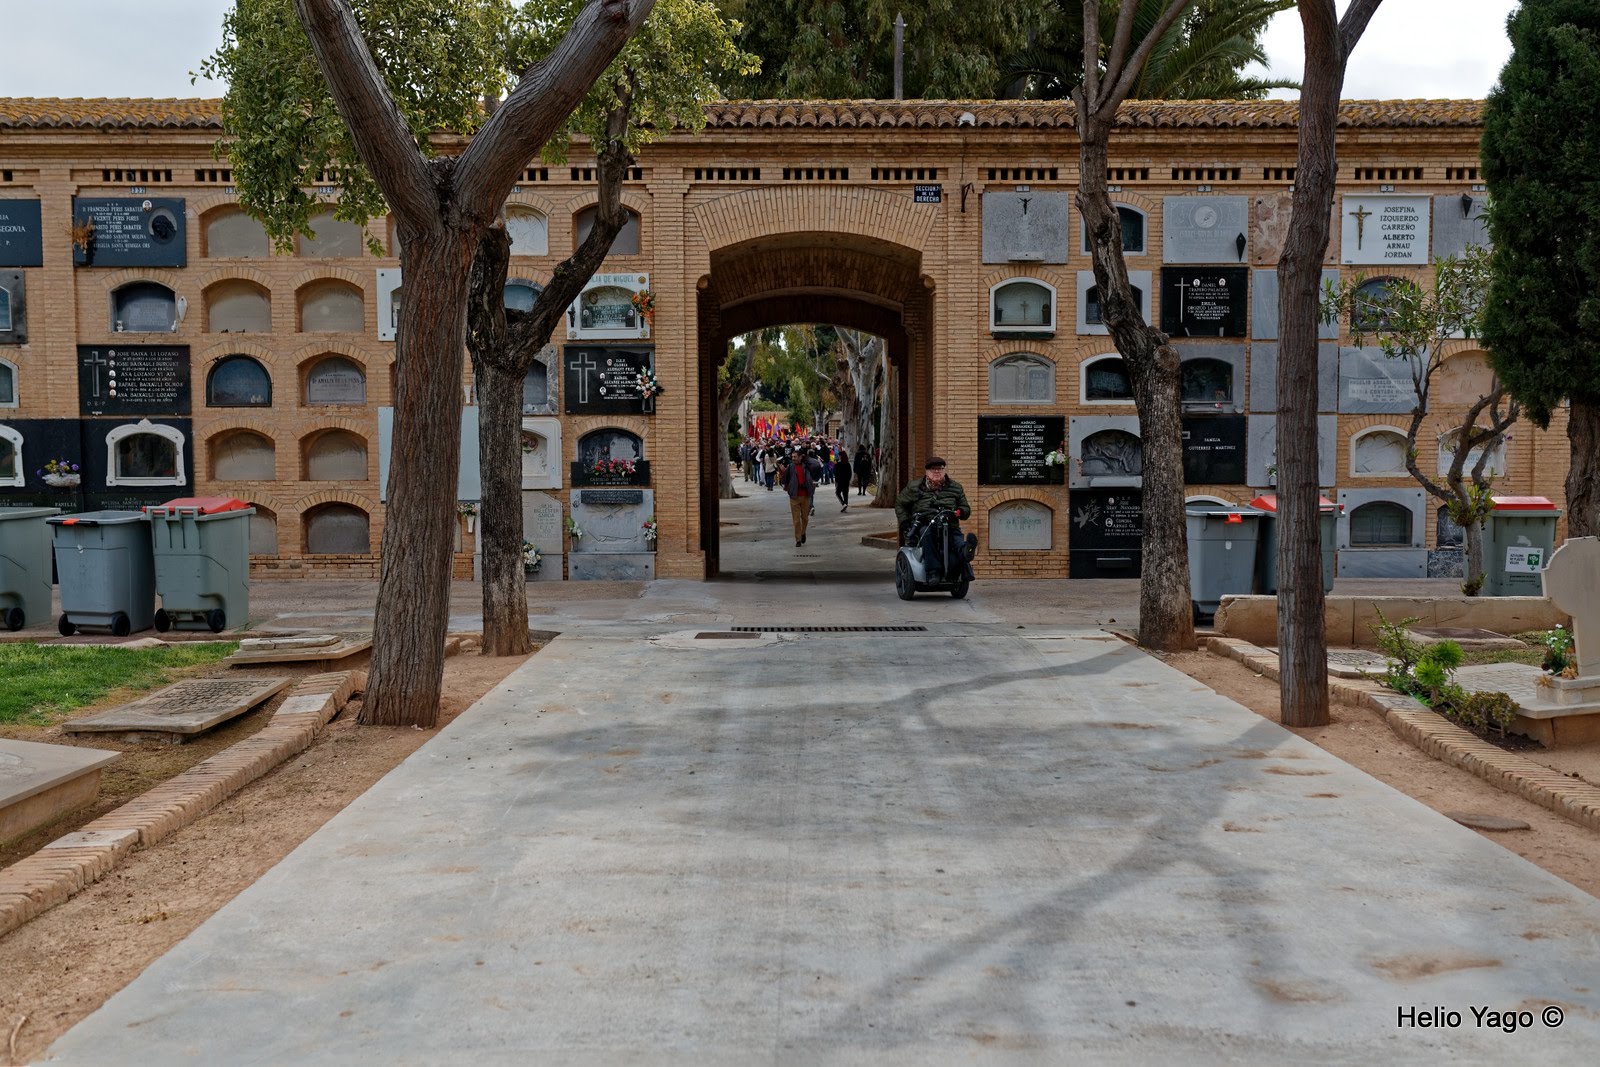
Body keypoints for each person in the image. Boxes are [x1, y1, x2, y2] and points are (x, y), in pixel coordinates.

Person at [895, 456, 973, 582]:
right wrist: (904, 522)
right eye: (933, 469)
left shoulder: (956, 487)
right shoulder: (914, 487)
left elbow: (965, 508)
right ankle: (933, 572)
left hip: (949, 524)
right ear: (926, 472)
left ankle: (966, 551)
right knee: (928, 535)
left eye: (940, 469)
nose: (937, 472)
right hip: (926, 524)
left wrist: (959, 513)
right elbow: (900, 503)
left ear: (944, 471)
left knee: (956, 538)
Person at [780, 447, 822, 546]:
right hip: (794, 496)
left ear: (800, 457)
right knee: (796, 520)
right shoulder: (790, 467)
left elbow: (816, 465)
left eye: (795, 457)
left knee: (805, 518)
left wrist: (806, 458)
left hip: (805, 496)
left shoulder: (807, 466)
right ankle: (798, 539)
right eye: (792, 457)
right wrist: (782, 472)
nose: (793, 458)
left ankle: (803, 533)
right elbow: (784, 479)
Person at [834, 443, 853, 511]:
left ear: (841, 457)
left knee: (837, 493)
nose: (838, 457)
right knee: (845, 493)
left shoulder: (838, 464)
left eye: (839, 456)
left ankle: (843, 503)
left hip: (840, 481)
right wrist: (848, 479)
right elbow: (850, 473)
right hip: (846, 481)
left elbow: (836, 473)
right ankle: (846, 504)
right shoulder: (847, 464)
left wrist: (836, 480)